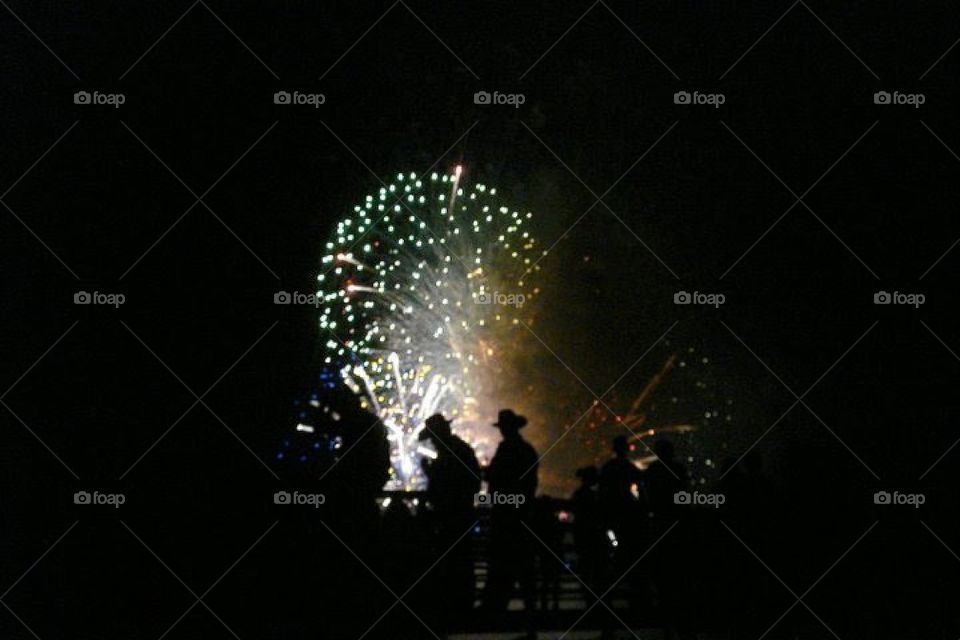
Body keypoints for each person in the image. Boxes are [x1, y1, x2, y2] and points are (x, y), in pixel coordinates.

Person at [418, 413, 481, 619]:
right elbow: (474, 482)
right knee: (461, 558)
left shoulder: (450, 453)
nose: (432, 443)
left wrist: (431, 474)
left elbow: (445, 485)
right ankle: (462, 603)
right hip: (460, 513)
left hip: (452, 515)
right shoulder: (461, 450)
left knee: (453, 559)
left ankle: (455, 604)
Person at [480, 409, 539, 615]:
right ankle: (530, 610)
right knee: (524, 565)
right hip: (523, 511)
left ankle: (495, 607)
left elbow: (497, 479)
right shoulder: (527, 450)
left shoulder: (506, 450)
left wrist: (488, 476)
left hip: (506, 513)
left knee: (501, 561)